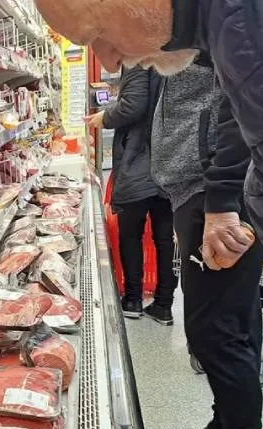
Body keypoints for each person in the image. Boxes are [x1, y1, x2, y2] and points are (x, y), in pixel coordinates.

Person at [35, 0, 263, 350]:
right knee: (212, 334)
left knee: (220, 336)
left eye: (97, 32)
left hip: (206, 195)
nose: (109, 61)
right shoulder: (221, 32)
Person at [150, 55, 263, 429]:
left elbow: (245, 95)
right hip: (209, 188)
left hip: (214, 192)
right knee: (234, 324)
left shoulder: (225, 26)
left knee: (216, 334)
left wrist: (221, 198)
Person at [85, 65, 177, 322]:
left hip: (138, 160)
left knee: (131, 233)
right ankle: (164, 304)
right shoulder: (170, 56)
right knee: (165, 237)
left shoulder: (137, 57)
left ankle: (133, 299)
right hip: (167, 160)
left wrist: (105, 117)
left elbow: (133, 106)